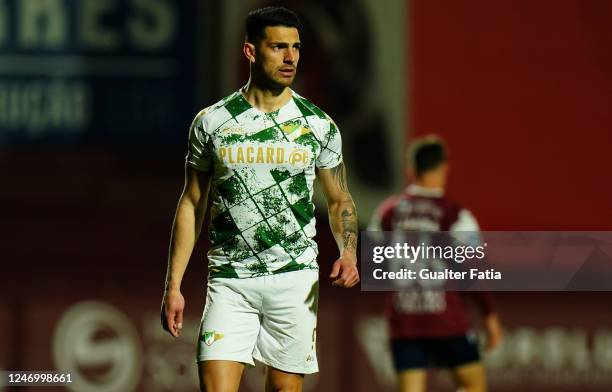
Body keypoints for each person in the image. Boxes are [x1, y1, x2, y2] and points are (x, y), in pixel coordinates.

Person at [160, 6, 359, 392]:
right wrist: (174, 285)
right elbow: (192, 203)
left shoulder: (317, 125)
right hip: (230, 280)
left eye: (296, 48)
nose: (290, 58)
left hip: (295, 279)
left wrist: (348, 250)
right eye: (278, 47)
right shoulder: (212, 122)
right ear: (250, 51)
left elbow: (339, 199)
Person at [369, 136, 503, 392]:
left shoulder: (386, 212)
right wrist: (489, 315)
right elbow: (473, 270)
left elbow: (374, 264)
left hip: (404, 319)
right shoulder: (455, 215)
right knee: (473, 385)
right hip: (446, 319)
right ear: (444, 169)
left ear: (411, 171)